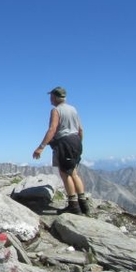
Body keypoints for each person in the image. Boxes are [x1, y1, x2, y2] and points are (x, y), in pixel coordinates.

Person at [32, 86, 90, 215]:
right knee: (74, 173)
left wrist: (41, 147)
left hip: (64, 142)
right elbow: (80, 129)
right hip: (75, 141)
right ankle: (84, 205)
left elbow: (52, 129)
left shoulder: (56, 110)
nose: (50, 99)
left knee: (65, 174)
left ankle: (73, 206)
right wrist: (78, 143)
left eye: (51, 97)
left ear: (55, 97)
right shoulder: (73, 109)